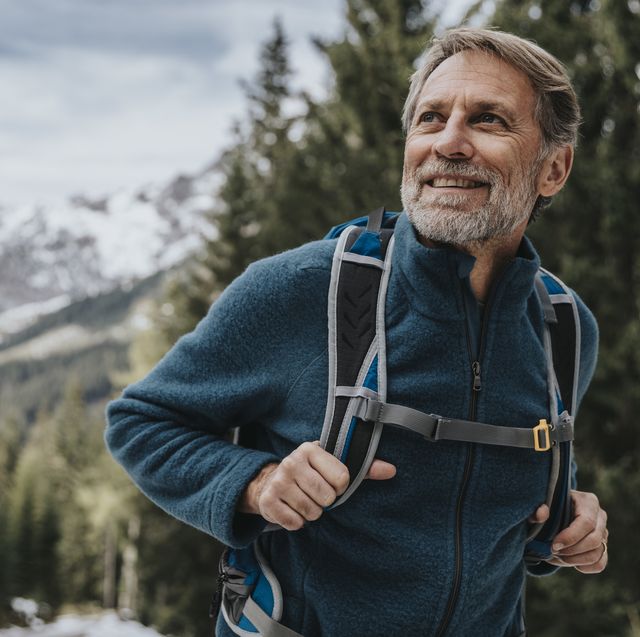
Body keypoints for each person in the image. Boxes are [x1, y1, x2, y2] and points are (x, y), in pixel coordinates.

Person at [106, 27, 609, 637]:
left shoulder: (563, 326)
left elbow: (504, 519)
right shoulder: (300, 290)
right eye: (430, 118)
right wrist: (255, 484)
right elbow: (141, 422)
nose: (449, 142)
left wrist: (565, 527)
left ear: (553, 168)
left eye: (488, 120)